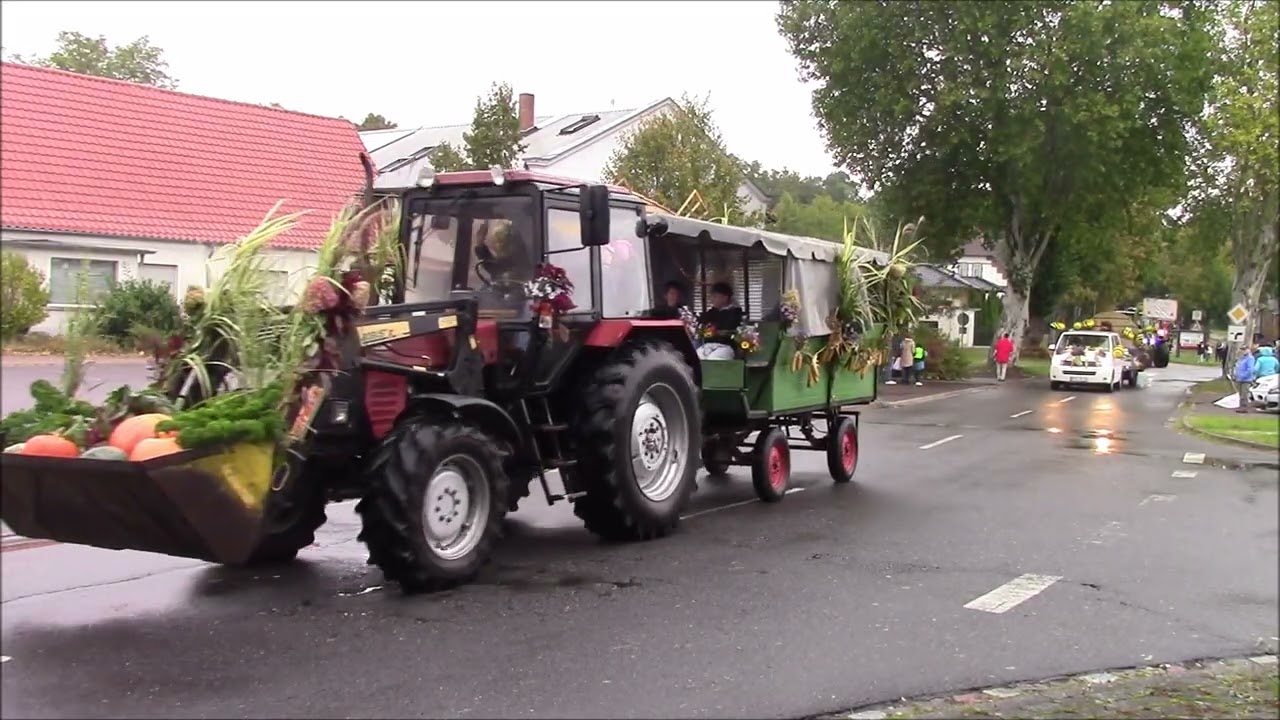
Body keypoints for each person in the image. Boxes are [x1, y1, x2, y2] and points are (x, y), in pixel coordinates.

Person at [696, 281, 744, 360]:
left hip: (726, 346)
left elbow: (729, 326)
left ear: (725, 298)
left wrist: (714, 328)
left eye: (715, 297)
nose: (712, 300)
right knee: (695, 359)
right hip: (707, 345)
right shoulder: (712, 312)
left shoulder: (735, 312)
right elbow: (701, 323)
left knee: (713, 359)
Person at [1233, 345, 1257, 413]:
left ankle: (1244, 408)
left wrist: (1243, 376)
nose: (1243, 351)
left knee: (1244, 394)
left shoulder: (1250, 358)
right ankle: (1241, 406)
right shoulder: (1242, 358)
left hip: (1246, 379)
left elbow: (1250, 370)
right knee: (1241, 394)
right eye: (1242, 349)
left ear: (1248, 350)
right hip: (1239, 379)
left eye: (1245, 349)